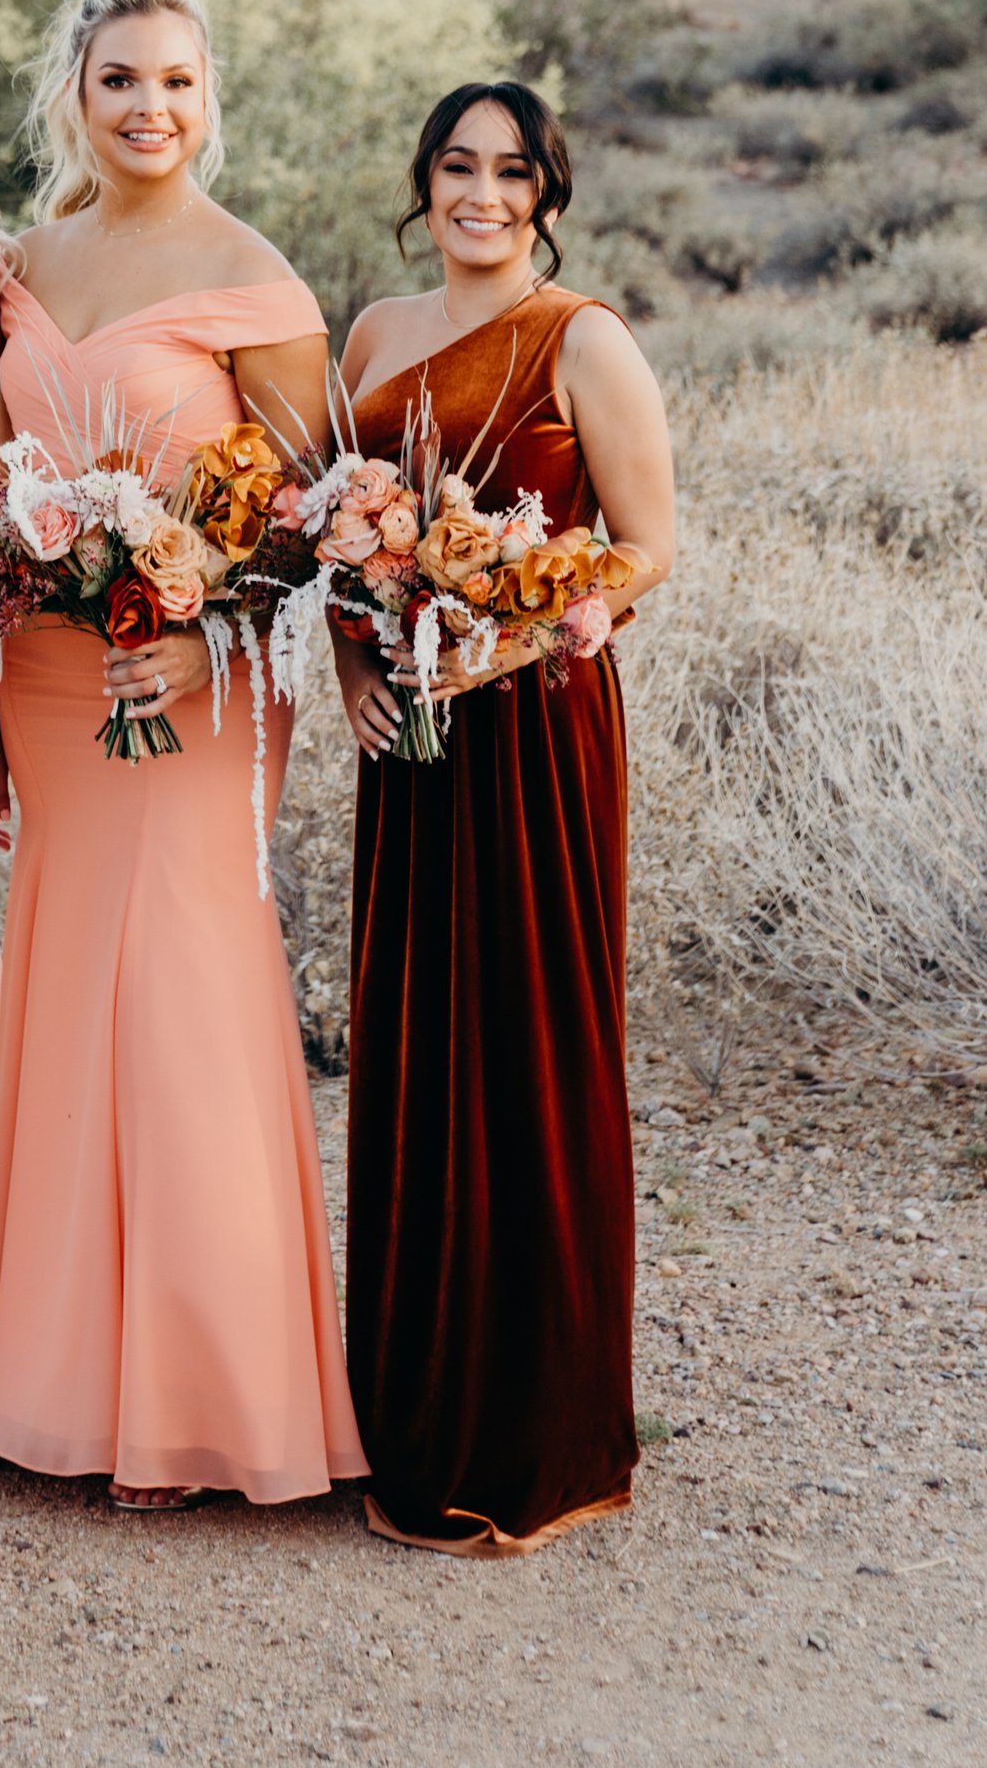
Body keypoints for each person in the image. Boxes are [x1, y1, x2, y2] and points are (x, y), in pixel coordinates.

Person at [0, 0, 363, 1511]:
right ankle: (65, 1386)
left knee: (185, 997)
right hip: (50, 678)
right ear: (75, 88)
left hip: (188, 693)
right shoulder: (16, 262)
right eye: (122, 76)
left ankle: (209, 1396)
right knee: (68, 985)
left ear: (213, 97)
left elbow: (313, 509)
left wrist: (206, 639)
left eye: (178, 81)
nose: (150, 106)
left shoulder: (251, 277)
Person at [335, 80, 678, 1552]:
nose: (483, 191)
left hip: (529, 727)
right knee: (415, 1047)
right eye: (459, 165)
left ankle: (536, 1425)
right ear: (425, 178)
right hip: (404, 738)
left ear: (547, 190)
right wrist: (359, 653)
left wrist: (520, 634)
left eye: (512, 170)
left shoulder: (582, 336)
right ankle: (410, 1410)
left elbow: (647, 546)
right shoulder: (369, 334)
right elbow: (333, 532)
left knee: (526, 1040)